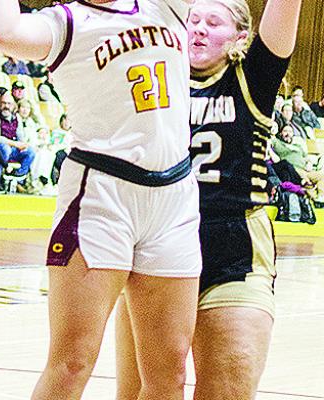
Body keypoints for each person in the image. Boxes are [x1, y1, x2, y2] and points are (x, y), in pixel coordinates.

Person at [0, 0, 201, 399]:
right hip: (101, 194)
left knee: (170, 371)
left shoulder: (165, 5)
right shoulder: (64, 22)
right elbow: (0, 31)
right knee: (72, 363)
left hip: (175, 198)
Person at [115, 1, 303, 400]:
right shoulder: (155, 75)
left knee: (226, 391)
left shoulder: (254, 76)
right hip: (157, 244)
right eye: (192, 20)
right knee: (140, 393)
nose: (198, 29)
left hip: (233, 247)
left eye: (213, 22)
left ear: (240, 37)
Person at [0, 92, 35, 179]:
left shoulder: (16, 117)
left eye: (9, 103)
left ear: (13, 105)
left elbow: (20, 135)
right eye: (3, 103)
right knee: (5, 148)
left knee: (30, 152)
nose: (6, 106)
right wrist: (15, 144)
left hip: (12, 149)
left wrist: (23, 145)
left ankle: (17, 175)